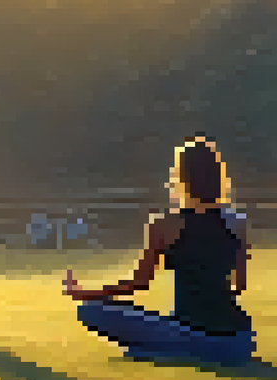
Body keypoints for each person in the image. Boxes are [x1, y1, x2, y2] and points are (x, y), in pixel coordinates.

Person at [64, 136, 257, 366]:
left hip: (192, 334)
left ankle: (164, 349)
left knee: (91, 310)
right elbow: (239, 285)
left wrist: (85, 293)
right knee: (170, 326)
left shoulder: (165, 224)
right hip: (239, 341)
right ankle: (166, 347)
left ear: (181, 178)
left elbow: (138, 283)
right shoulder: (238, 222)